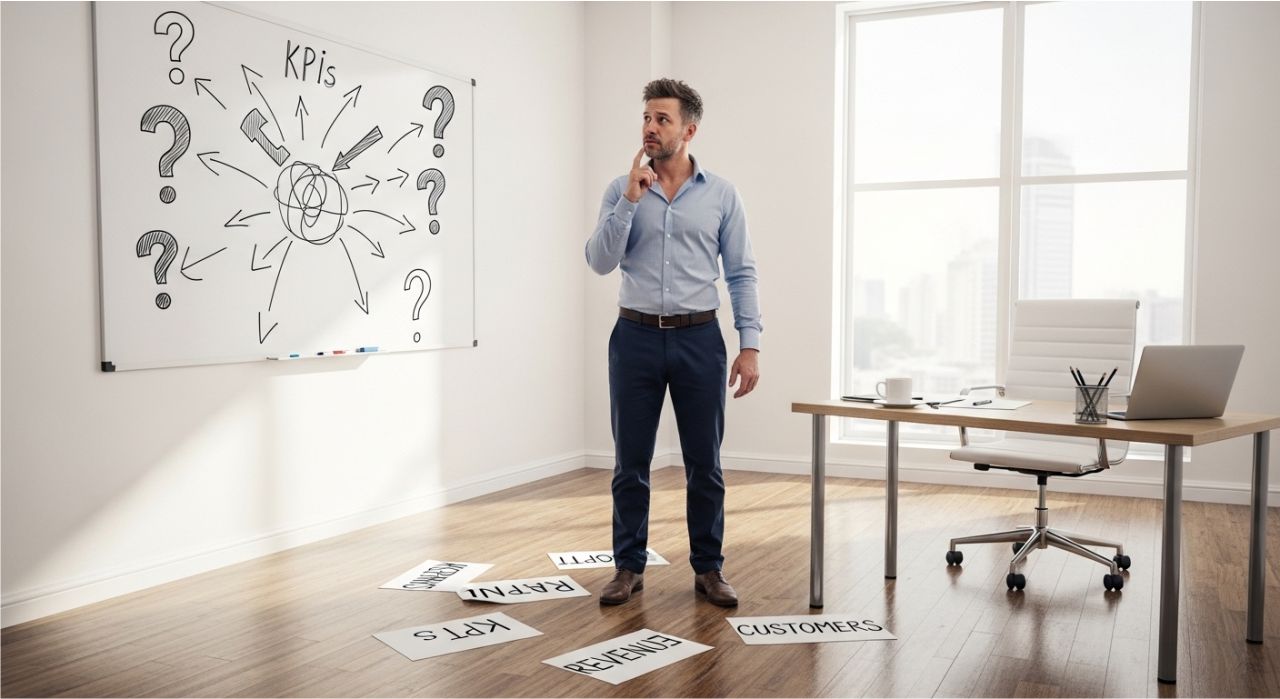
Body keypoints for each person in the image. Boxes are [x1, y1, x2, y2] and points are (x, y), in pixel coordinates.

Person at [585, 78, 762, 607]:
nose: (650, 127)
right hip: (634, 337)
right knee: (630, 463)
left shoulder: (722, 195)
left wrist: (749, 344)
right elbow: (599, 261)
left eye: (662, 119)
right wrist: (628, 201)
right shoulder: (621, 189)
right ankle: (628, 568)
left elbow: (741, 273)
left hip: (699, 339)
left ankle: (709, 568)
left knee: (704, 463)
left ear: (689, 130)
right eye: (646, 117)